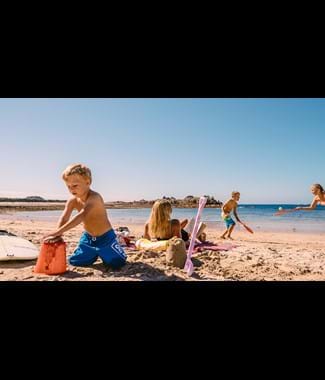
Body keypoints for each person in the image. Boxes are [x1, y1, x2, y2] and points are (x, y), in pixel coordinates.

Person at [43, 163, 127, 268]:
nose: (71, 189)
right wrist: (58, 234)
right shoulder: (72, 201)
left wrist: (58, 232)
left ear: (88, 182)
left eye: (75, 185)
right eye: (68, 186)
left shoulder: (94, 198)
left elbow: (82, 215)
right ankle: (94, 253)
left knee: (117, 263)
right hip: (88, 239)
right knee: (75, 261)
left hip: (105, 237)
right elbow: (64, 217)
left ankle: (114, 245)